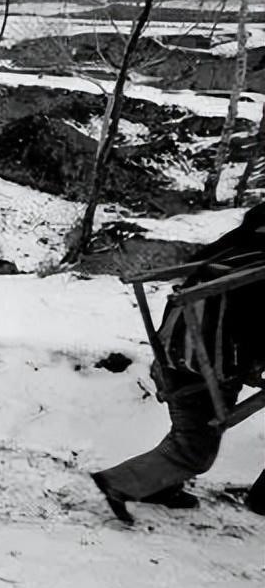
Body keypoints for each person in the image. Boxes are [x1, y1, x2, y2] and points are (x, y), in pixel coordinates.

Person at [92, 203, 265, 524]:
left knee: (191, 432)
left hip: (176, 355)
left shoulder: (228, 250)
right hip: (204, 365)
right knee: (195, 451)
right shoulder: (255, 268)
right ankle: (119, 482)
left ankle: (160, 486)